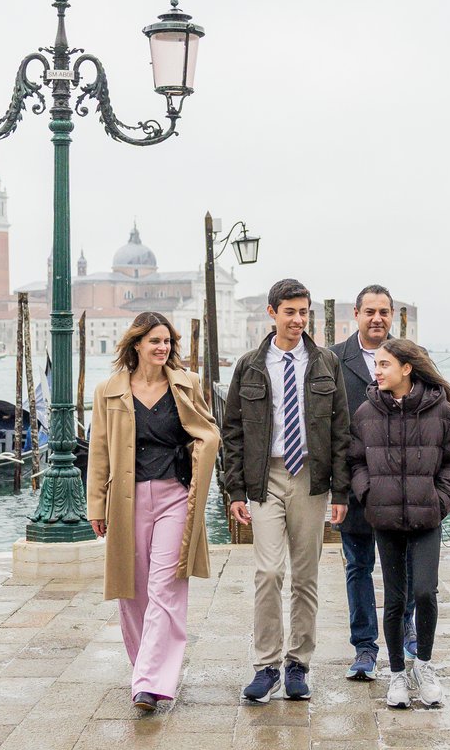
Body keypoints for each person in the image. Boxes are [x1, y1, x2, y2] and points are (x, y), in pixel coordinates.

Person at [218, 278, 350, 703]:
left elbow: (342, 431)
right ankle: (265, 665)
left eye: (303, 312)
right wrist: (235, 490)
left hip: (311, 479)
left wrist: (341, 493)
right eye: (290, 312)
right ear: (272, 313)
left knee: (306, 576)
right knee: (270, 572)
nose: (297, 320)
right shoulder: (250, 366)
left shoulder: (326, 362)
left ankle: (298, 665)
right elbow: (232, 431)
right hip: (266, 478)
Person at [87, 311, 222, 714]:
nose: (162, 348)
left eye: (167, 341)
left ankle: (149, 683)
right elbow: (99, 451)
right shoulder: (108, 391)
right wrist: (96, 505)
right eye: (155, 341)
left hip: (174, 497)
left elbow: (208, 431)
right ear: (136, 345)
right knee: (132, 591)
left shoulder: (187, 384)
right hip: (125, 500)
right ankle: (144, 668)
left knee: (166, 587)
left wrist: (201, 461)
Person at [346, 338, 450, 710]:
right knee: (395, 600)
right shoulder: (366, 412)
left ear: (406, 368)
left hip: (427, 518)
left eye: (384, 364)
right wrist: (369, 494)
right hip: (385, 519)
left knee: (425, 592)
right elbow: (355, 461)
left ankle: (424, 667)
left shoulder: (441, 412)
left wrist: (440, 499)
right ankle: (398, 673)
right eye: (376, 365)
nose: (377, 371)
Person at [331, 285, 416, 680]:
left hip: (401, 484)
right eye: (370, 311)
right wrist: (336, 486)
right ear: (356, 314)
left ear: (392, 315)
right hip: (355, 481)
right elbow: (327, 424)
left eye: (384, 311)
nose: (377, 318)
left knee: (403, 565)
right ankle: (364, 647)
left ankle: (406, 630)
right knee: (358, 566)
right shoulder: (334, 359)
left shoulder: (409, 356)